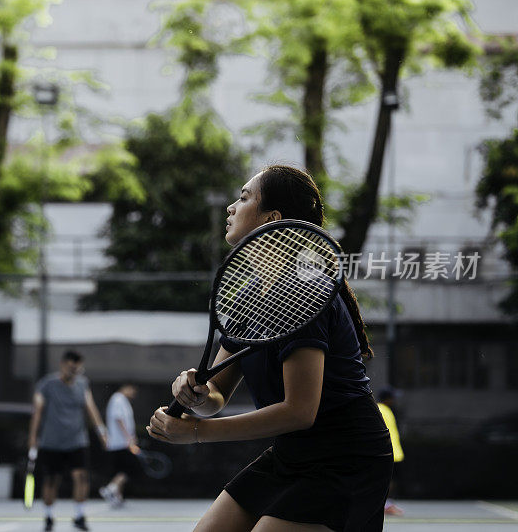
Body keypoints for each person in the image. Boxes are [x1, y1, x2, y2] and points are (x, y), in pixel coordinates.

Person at [147, 165, 393, 532]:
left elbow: (299, 411)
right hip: (293, 453)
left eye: (244, 198)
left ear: (272, 219)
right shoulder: (248, 298)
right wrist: (195, 393)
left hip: (346, 456)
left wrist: (196, 432)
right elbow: (216, 394)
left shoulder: (303, 292)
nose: (231, 207)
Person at [28, 350, 108, 532]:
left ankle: (79, 516)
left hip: (77, 441)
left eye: (77, 368)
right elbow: (37, 411)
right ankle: (48, 517)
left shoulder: (83, 384)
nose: (73, 370)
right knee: (51, 481)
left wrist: (102, 431)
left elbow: (91, 408)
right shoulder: (46, 384)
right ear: (63, 364)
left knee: (81, 477)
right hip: (51, 442)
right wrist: (33, 436)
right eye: (70, 366)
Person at [99, 384, 141, 508]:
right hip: (121, 443)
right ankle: (110, 488)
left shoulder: (122, 400)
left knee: (120, 470)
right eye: (132, 390)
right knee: (127, 469)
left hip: (123, 442)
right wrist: (128, 438)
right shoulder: (118, 399)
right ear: (125, 387)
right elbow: (118, 419)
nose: (133, 394)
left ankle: (117, 497)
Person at [377, 387, 405, 516]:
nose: (394, 400)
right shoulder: (381, 409)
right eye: (392, 397)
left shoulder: (387, 410)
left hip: (394, 452)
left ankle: (386, 503)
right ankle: (384, 505)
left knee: (391, 480)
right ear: (387, 399)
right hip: (388, 452)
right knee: (387, 481)